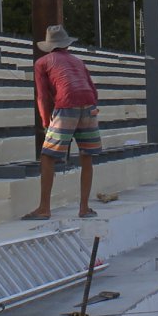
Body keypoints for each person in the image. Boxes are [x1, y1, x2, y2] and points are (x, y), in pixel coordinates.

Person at [24, 24, 101, 220]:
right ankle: (84, 208)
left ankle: (44, 208)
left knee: (47, 156)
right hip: (89, 103)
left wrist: (45, 120)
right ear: (66, 44)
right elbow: (93, 89)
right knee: (86, 155)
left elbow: (42, 96)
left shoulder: (42, 62)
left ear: (49, 45)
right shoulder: (78, 61)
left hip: (66, 105)